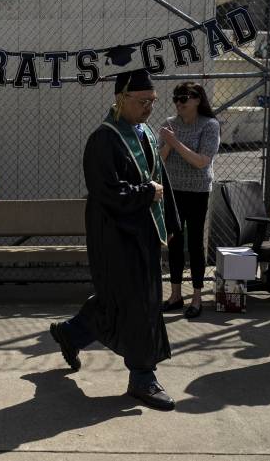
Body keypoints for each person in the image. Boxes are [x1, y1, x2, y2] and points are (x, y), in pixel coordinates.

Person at [49, 69, 180, 411]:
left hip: (143, 234)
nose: (149, 107)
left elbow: (158, 179)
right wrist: (145, 193)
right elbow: (106, 191)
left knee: (121, 302)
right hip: (115, 237)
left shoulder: (145, 133)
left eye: (152, 101)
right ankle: (142, 379)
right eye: (142, 101)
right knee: (138, 306)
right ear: (121, 99)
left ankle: (72, 333)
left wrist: (170, 220)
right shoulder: (104, 139)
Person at [158, 82, 221, 319]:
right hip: (173, 190)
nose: (179, 103)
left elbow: (201, 161)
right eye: (176, 98)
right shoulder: (169, 123)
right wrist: (166, 143)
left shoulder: (210, 125)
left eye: (184, 98)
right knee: (174, 240)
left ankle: (196, 297)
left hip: (197, 191)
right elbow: (159, 160)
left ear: (197, 99)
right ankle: (175, 295)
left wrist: (174, 142)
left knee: (195, 242)